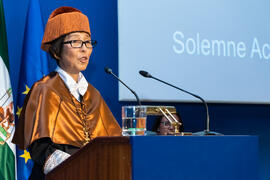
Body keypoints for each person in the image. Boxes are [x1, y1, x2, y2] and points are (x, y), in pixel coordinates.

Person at [12, 6, 121, 179]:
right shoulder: (44, 88)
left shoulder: (94, 94)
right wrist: (78, 167)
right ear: (56, 50)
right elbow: (40, 147)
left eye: (87, 42)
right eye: (76, 42)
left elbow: (112, 144)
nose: (84, 48)